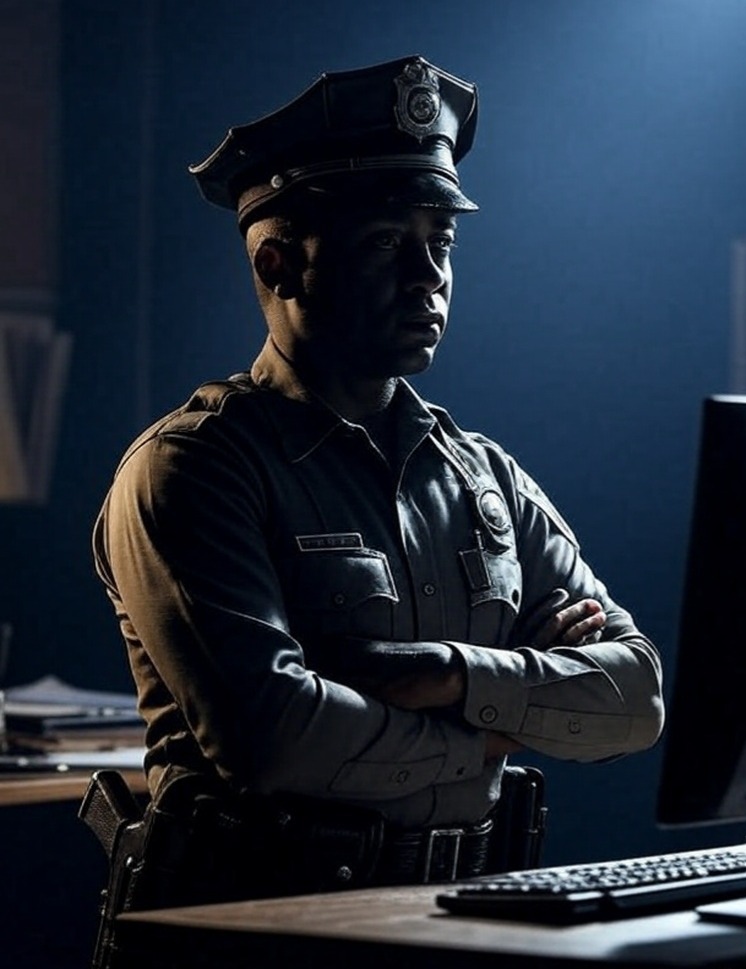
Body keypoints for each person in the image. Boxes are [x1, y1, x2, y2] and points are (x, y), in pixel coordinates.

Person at [91, 55, 664, 906]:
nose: (428, 276)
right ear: (279, 264)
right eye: (388, 243)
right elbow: (273, 735)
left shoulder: (484, 478)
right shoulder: (194, 468)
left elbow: (634, 695)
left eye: (441, 244)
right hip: (256, 935)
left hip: (457, 919)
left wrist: (454, 674)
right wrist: (490, 732)